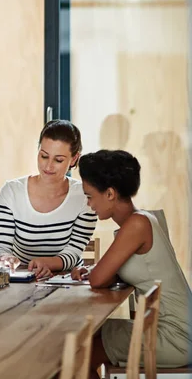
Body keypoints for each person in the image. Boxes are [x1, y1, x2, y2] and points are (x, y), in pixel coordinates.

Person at [71, 149, 192, 377]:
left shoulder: (136, 225)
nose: (89, 204)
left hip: (176, 337)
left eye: (89, 196)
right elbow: (113, 272)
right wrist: (95, 270)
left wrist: (95, 272)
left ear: (109, 194)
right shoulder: (146, 218)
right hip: (174, 328)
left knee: (75, 354)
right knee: (84, 339)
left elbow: (98, 279)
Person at [0, 120, 97, 279]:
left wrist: (46, 263)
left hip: (68, 280)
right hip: (23, 277)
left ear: (74, 159)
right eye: (44, 156)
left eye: (58, 160)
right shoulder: (12, 191)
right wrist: (5, 259)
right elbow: (0, 245)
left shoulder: (85, 197)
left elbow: (73, 251)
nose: (48, 166)